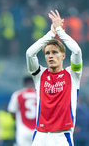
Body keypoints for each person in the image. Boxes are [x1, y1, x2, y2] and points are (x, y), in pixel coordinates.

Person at [26, 10, 82, 146]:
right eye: (47, 53)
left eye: (55, 52)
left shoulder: (73, 74)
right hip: (40, 135)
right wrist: (51, 34)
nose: (50, 56)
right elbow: (29, 53)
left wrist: (60, 31)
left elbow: (77, 51)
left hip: (62, 136)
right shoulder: (39, 75)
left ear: (63, 56)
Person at [7, 76, 37, 146]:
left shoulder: (17, 95)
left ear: (24, 84)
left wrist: (17, 120)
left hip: (23, 130)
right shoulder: (40, 94)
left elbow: (12, 111)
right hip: (38, 131)